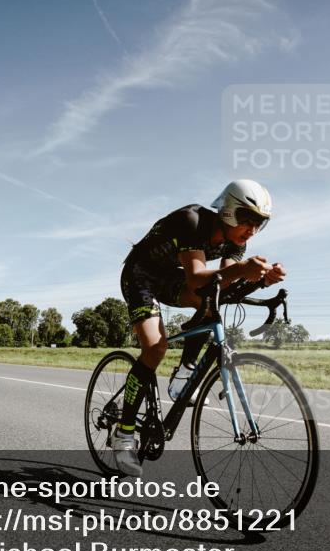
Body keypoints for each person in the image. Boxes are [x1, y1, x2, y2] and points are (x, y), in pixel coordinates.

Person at [112, 179, 286, 477]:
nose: (252, 230)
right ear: (229, 211)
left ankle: (185, 370)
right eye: (248, 219)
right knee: (155, 348)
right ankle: (124, 433)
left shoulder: (238, 243)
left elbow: (226, 284)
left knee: (212, 301)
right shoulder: (192, 221)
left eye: (260, 223)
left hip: (169, 276)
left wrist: (260, 280)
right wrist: (243, 270)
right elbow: (196, 278)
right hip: (140, 275)